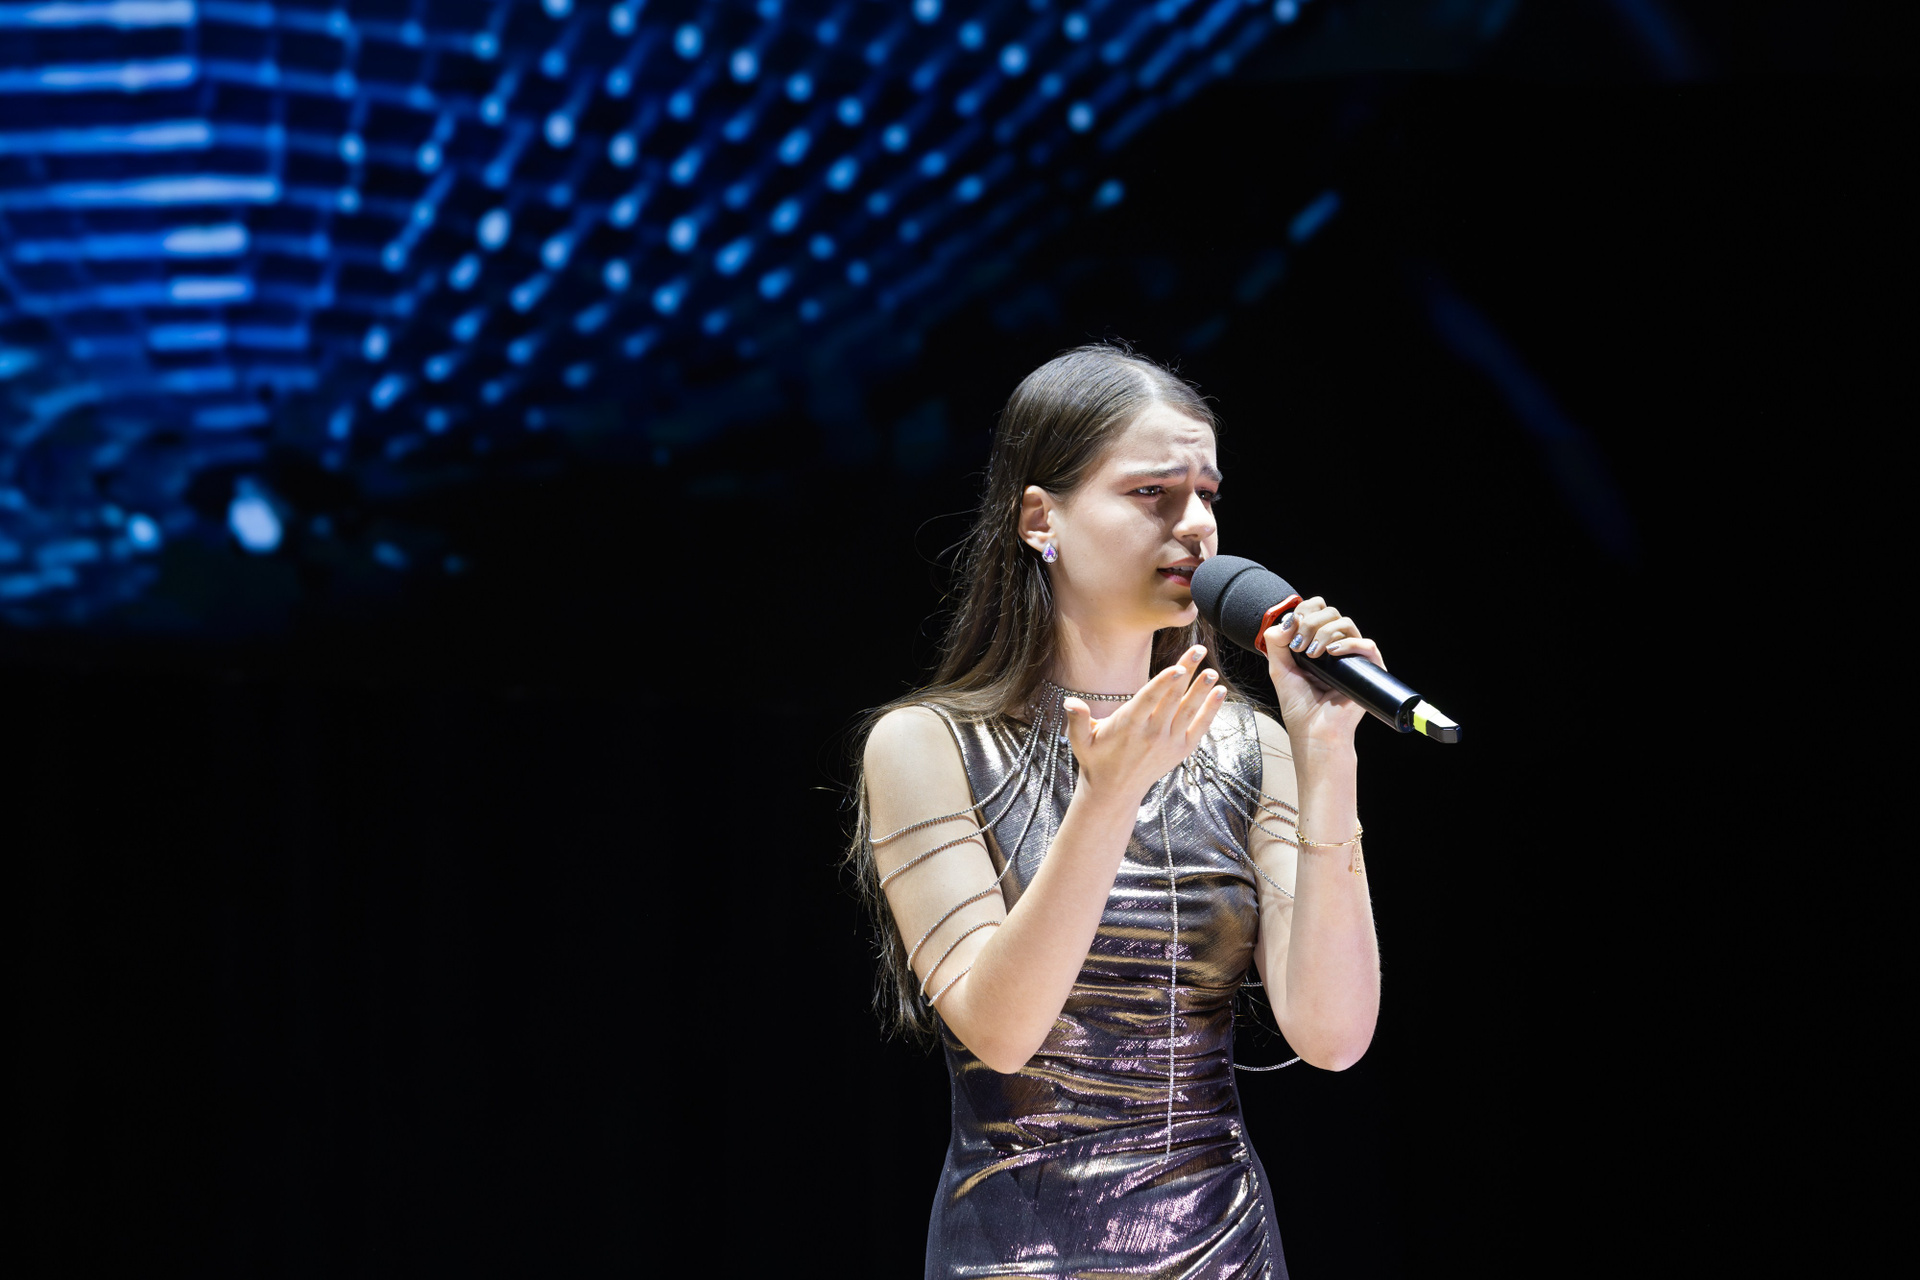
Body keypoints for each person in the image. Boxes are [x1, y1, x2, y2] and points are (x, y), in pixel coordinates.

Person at [850, 344, 1384, 1279]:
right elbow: (1002, 1031)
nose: (1196, 527)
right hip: (1019, 1257)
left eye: (1207, 495)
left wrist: (1326, 747)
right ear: (1040, 519)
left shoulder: (1251, 747)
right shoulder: (924, 745)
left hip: (1225, 1249)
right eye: (1151, 494)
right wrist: (1106, 801)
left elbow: (1333, 1037)